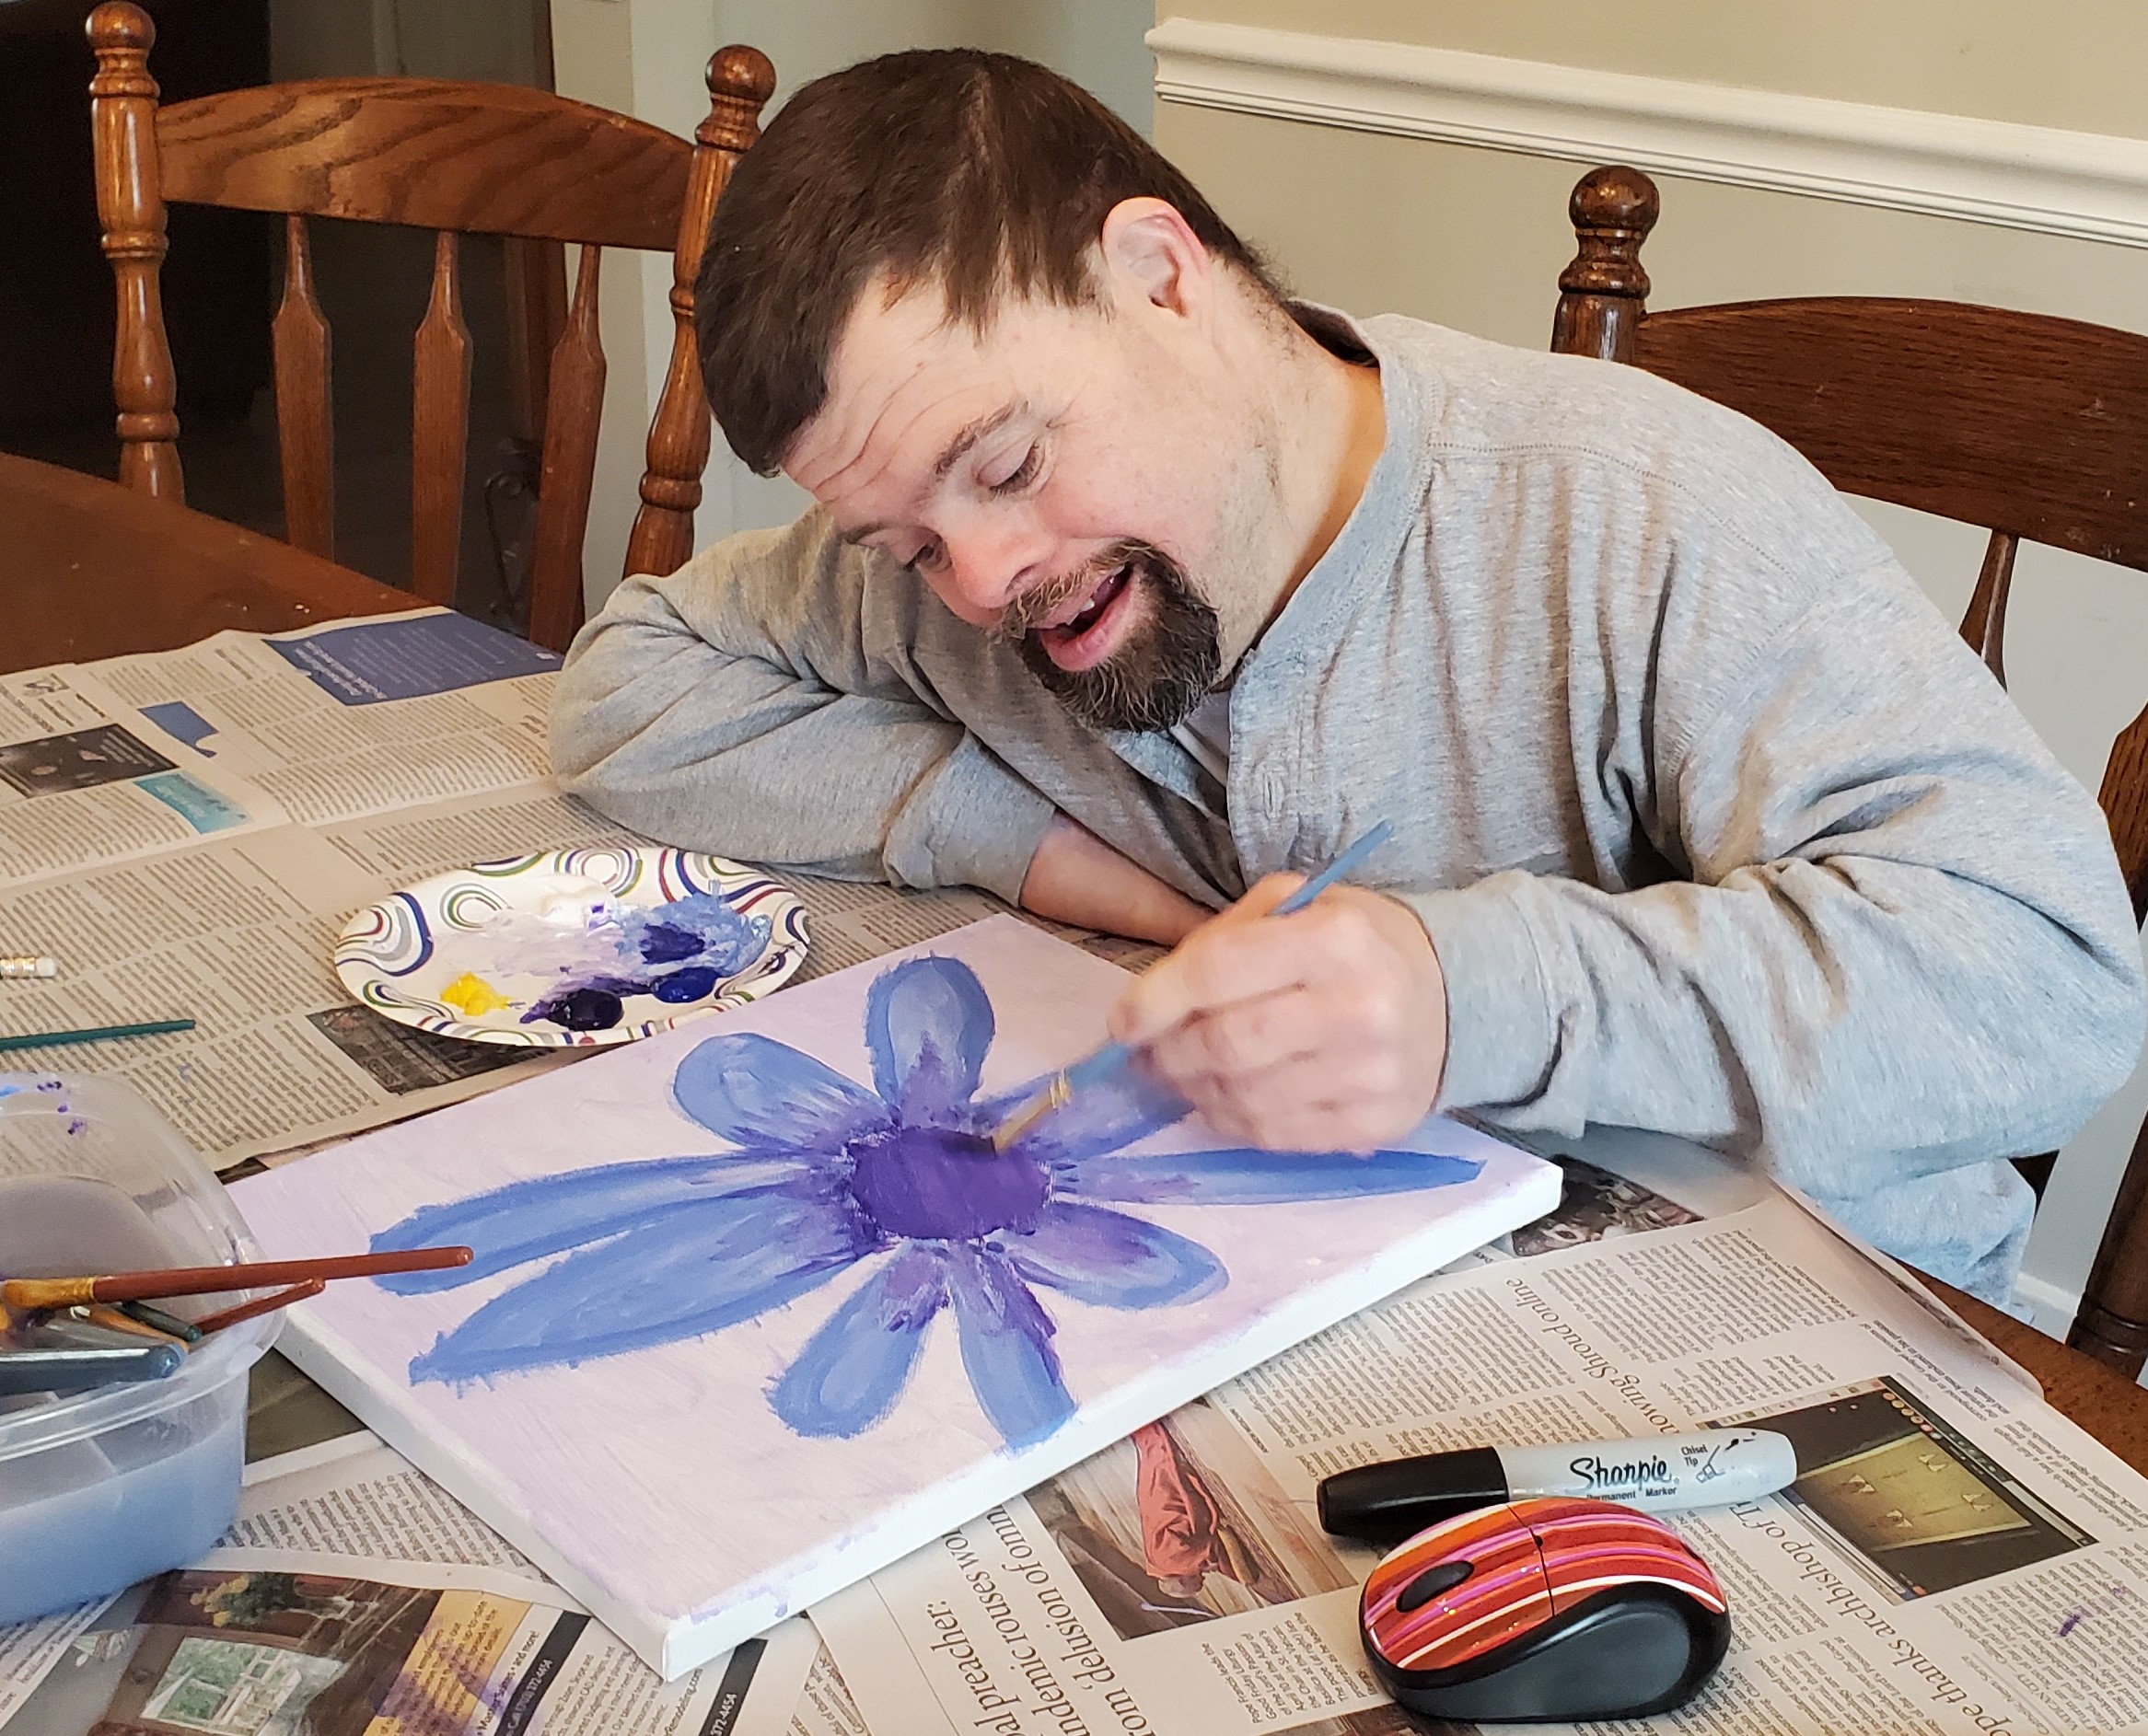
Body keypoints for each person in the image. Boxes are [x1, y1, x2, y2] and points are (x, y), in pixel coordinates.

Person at [550, 50, 2145, 1302]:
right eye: (906, 545)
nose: (979, 583)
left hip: (1806, 1340)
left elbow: (2046, 982)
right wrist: (1059, 859)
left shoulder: (1635, 508)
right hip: (1353, 1304)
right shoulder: (969, 580)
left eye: (1012, 460)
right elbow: (631, 676)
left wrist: (1465, 994)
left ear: (1159, 273)